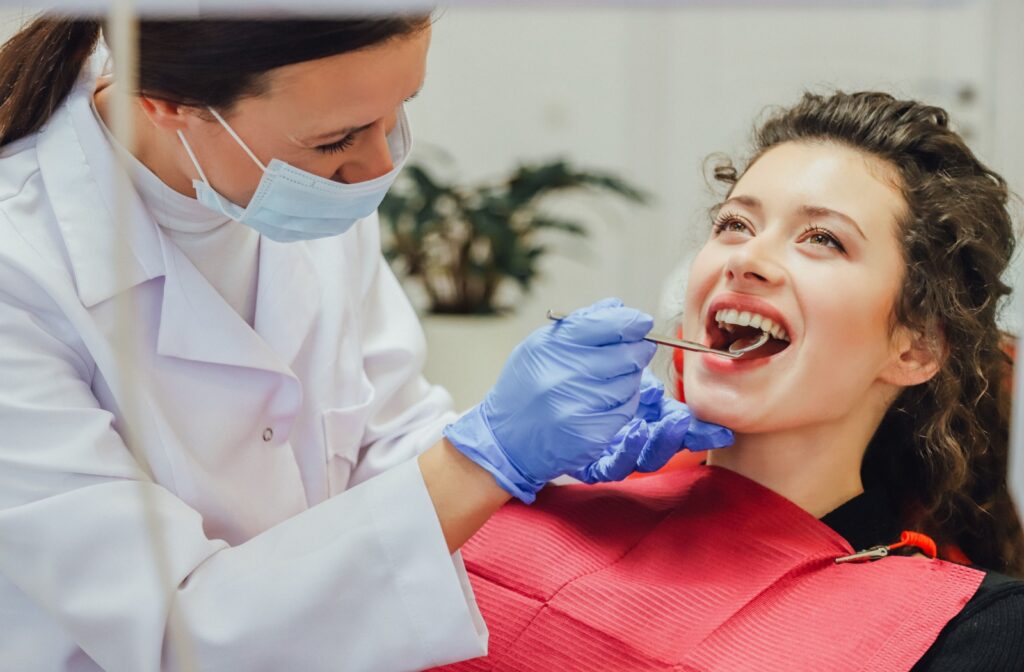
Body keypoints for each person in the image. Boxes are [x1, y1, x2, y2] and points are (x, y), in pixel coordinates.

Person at [0, 16, 731, 672]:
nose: (380, 168)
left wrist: (531, 457)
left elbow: (382, 438)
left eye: (396, 112)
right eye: (336, 139)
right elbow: (178, 634)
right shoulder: (21, 271)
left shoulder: (301, 187)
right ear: (163, 105)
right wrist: (484, 458)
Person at [431, 91, 1024, 671]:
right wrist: (483, 465)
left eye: (822, 238)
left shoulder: (973, 632)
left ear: (915, 347)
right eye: (735, 224)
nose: (745, 258)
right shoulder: (513, 501)